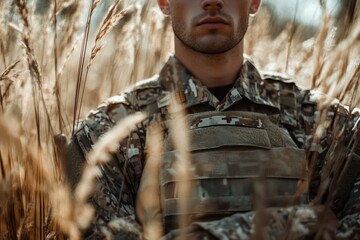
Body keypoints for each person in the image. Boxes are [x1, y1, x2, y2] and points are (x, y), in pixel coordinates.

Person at [66, 0, 360, 239]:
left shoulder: (321, 122)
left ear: (254, 2)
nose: (212, 2)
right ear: (164, 2)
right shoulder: (109, 133)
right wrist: (287, 225)